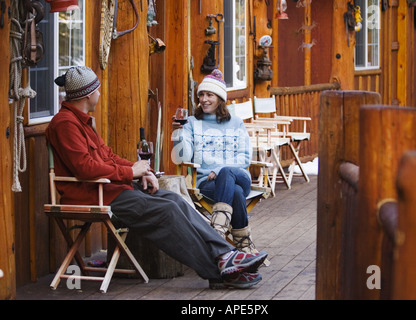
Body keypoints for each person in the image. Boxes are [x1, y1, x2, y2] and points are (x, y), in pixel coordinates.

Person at [45, 66, 268, 289]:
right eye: (98, 90)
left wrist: (141, 169)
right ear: (87, 94)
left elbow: (107, 157)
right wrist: (130, 172)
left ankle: (226, 255)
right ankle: (220, 273)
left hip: (110, 190)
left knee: (175, 199)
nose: (99, 94)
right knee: (167, 211)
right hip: (95, 196)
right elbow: (85, 168)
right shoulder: (65, 124)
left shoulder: (84, 122)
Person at [172, 69, 265, 259]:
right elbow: (184, 157)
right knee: (236, 193)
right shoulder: (191, 122)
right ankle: (243, 247)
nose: (204, 99)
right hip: (208, 184)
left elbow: (244, 157)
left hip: (239, 177)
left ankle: (217, 234)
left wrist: (220, 169)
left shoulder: (236, 123)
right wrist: (179, 133)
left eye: (209, 95)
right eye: (201, 95)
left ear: (220, 98)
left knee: (228, 174)